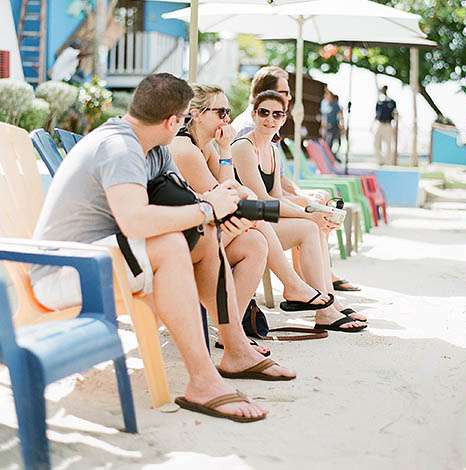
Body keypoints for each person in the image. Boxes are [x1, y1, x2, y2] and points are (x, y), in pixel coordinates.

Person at [30, 73, 294, 423]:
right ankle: (202, 380)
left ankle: (236, 351)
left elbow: (187, 203)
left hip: (100, 261)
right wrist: (206, 209)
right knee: (170, 244)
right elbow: (135, 222)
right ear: (173, 120)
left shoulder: (152, 150)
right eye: (184, 118)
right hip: (65, 273)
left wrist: (222, 203)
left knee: (206, 239)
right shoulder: (120, 147)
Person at [169, 85, 335, 343]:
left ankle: (231, 335)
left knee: (256, 244)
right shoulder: (186, 149)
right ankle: (291, 285)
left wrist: (224, 156)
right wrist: (227, 155)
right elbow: (223, 197)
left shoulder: (208, 146)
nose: (227, 119)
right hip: (184, 237)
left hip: (207, 229)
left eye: (228, 112)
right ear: (197, 114)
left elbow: (230, 188)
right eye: (221, 112)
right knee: (255, 217)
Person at [231, 90, 367, 332]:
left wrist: (317, 211)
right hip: (248, 223)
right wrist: (308, 214)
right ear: (253, 114)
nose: (270, 119)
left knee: (315, 226)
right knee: (308, 226)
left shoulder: (272, 150)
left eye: (277, 114)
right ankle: (325, 309)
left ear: (284, 119)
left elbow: (277, 197)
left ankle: (328, 302)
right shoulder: (243, 147)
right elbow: (262, 201)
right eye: (264, 112)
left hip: (265, 219)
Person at [374, 85, 397, 165]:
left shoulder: (392, 102)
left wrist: (395, 125)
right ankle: (380, 161)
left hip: (388, 124)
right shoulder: (379, 102)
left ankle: (388, 161)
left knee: (389, 144)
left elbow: (395, 114)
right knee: (376, 143)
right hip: (380, 124)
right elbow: (376, 114)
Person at [321, 89, 343, 155]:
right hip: (327, 127)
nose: (326, 96)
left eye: (327, 95)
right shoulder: (325, 104)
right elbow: (324, 115)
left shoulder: (335, 105)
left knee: (336, 142)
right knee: (328, 143)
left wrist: (342, 126)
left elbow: (340, 115)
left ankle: (333, 155)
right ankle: (328, 155)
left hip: (335, 127)